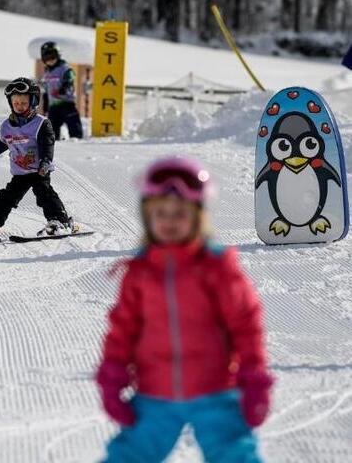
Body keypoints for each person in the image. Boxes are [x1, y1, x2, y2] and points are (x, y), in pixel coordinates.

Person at [96, 157, 274, 462]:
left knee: (234, 454)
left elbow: (246, 325)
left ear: (198, 216)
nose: (170, 221)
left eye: (180, 214)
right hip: (155, 392)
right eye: (160, 213)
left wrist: (254, 377)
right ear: (147, 216)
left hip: (214, 390)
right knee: (129, 455)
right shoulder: (140, 272)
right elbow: (122, 329)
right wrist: (112, 376)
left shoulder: (217, 268)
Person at [0, 77, 77, 238]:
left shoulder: (41, 124)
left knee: (44, 193)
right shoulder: (7, 127)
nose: (19, 106)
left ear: (33, 102)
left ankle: (59, 221)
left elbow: (47, 144)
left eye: (24, 103)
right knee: (6, 197)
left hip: (39, 170)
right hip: (20, 173)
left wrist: (45, 161)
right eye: (16, 103)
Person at [40, 41, 83, 139]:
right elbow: (46, 90)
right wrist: (45, 106)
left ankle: (77, 139)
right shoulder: (47, 73)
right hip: (53, 106)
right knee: (51, 128)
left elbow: (69, 80)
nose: (50, 61)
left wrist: (62, 90)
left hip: (66, 103)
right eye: (47, 59)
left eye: (52, 57)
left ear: (58, 56)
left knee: (73, 124)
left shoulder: (64, 68)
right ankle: (53, 142)